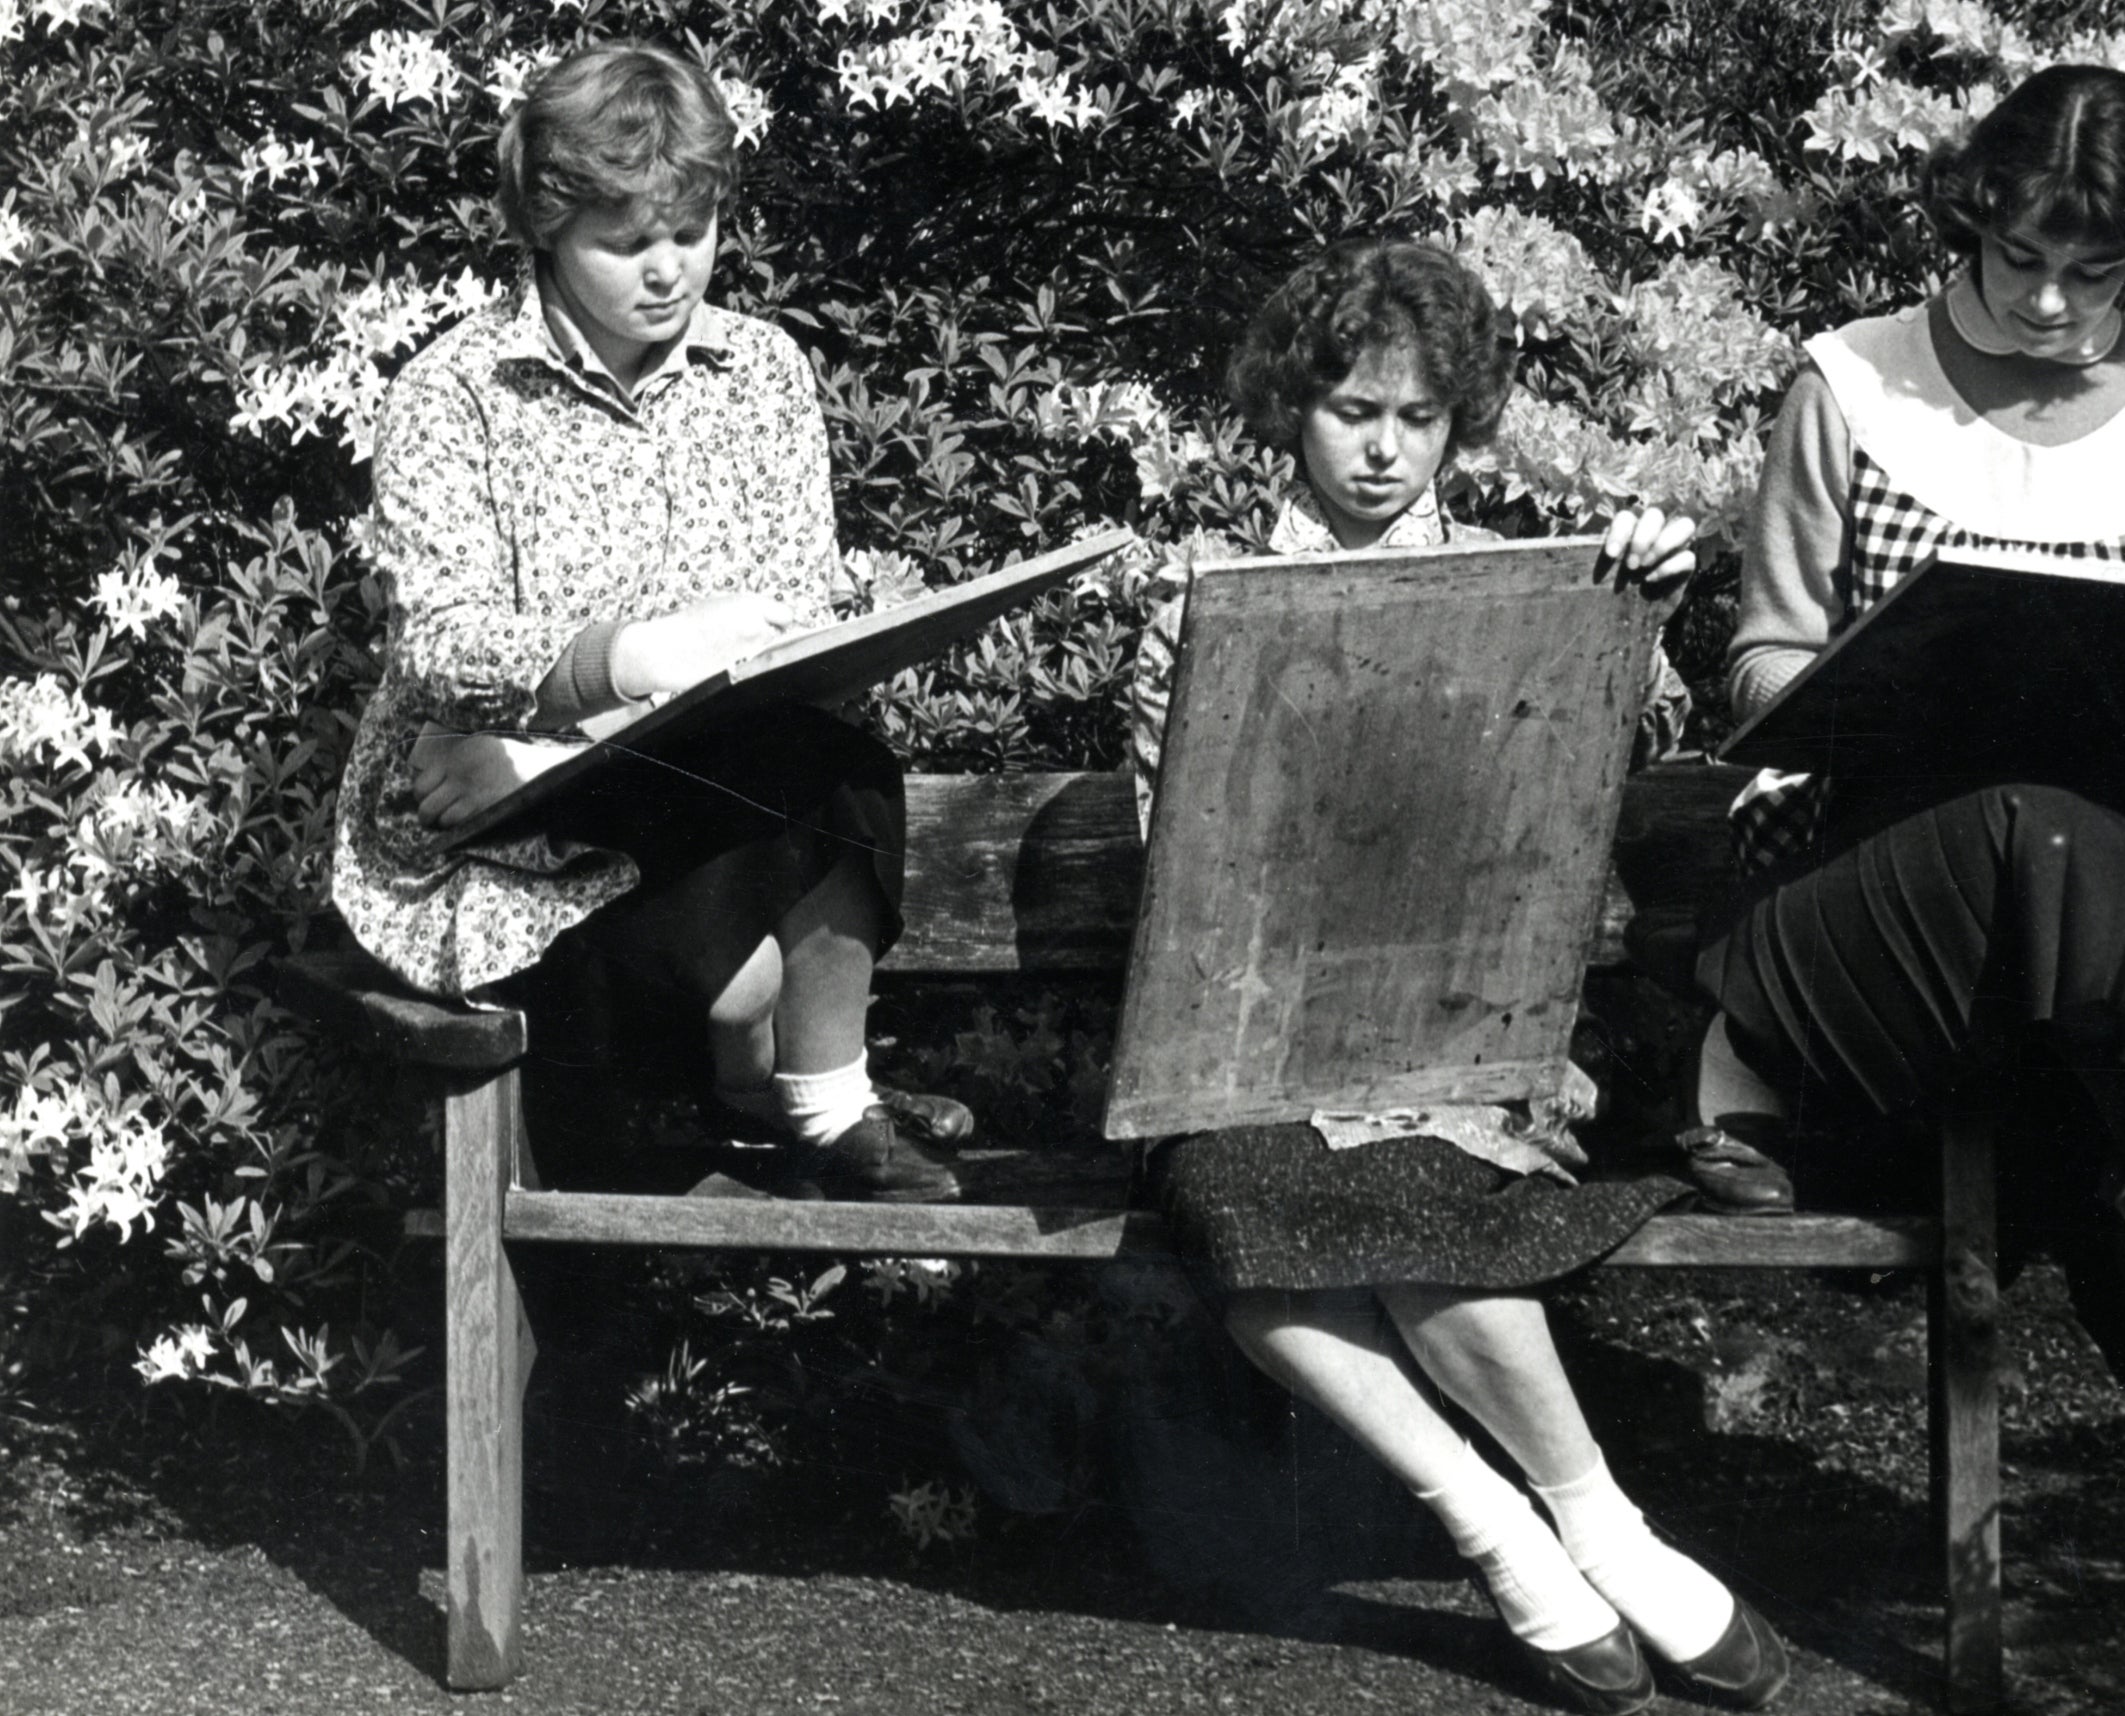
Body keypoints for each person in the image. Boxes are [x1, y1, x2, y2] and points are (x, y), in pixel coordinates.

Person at [1125, 238, 1790, 1716]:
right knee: (1239, 1206)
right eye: (1351, 410)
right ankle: (1492, 1524)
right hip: (1250, 1047)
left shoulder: (1526, 586)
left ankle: (1601, 1524)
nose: (1382, 447)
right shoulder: (1207, 598)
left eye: (1416, 417)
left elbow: (1625, 752)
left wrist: (1639, 605)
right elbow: (1188, 869)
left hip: (1460, 1036)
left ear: (1456, 424)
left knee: (1412, 1202)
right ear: (1292, 410)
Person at [1691, 64, 2125, 1398]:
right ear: (1974, 224)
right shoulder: (1854, 384)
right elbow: (1762, 663)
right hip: (1878, 878)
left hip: (2100, 887)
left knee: (2073, 832)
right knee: (2016, 819)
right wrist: (1880, 692)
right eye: (2018, 259)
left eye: (2092, 273)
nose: (2049, 302)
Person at [329, 42, 970, 1202]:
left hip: (666, 771)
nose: (669, 270)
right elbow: (434, 642)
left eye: (692, 230)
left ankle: (831, 1108)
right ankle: (753, 1081)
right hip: (506, 826)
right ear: (546, 229)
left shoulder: (760, 371)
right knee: (736, 985)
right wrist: (613, 668)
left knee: (835, 767)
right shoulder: (458, 390)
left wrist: (570, 730)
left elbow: (797, 612)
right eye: (626, 244)